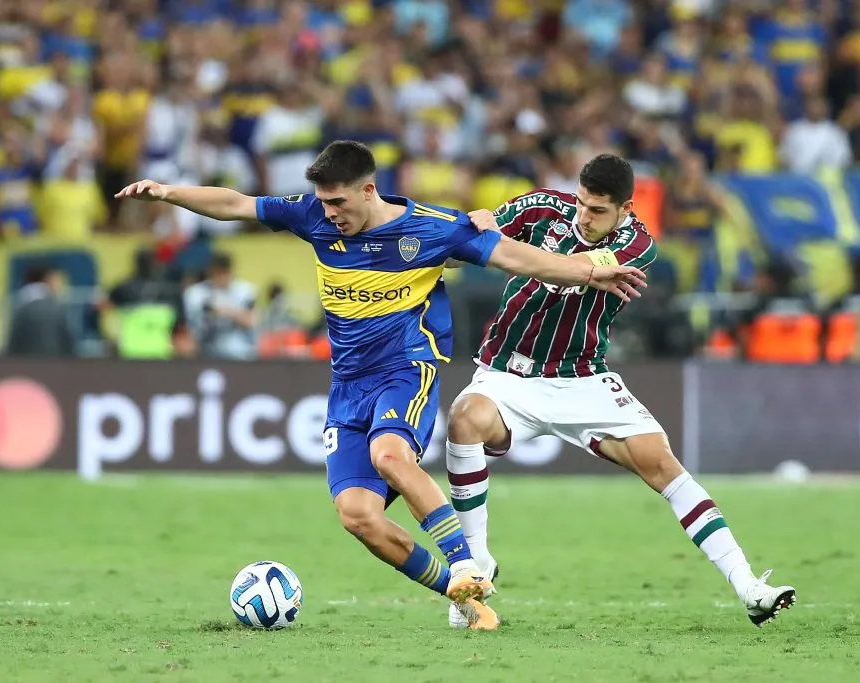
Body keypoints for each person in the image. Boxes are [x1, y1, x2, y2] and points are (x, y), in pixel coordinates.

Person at [116, 140, 647, 631]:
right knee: (358, 517)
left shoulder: (433, 228)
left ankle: (469, 563)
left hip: (406, 369)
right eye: (324, 203)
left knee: (390, 456)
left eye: (339, 202)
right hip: (348, 385)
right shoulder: (314, 218)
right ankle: (462, 594)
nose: (329, 213)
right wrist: (168, 193)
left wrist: (588, 271)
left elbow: (517, 257)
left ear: (369, 190)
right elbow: (236, 204)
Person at [445, 154, 796, 629]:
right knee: (464, 417)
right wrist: (482, 223)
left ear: (626, 208)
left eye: (597, 211)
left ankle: (750, 586)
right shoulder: (545, 206)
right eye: (582, 203)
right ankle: (477, 564)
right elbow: (485, 225)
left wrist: (508, 248)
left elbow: (570, 269)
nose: (583, 216)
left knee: (664, 466)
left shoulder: (639, 244)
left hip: (583, 377)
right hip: (508, 373)